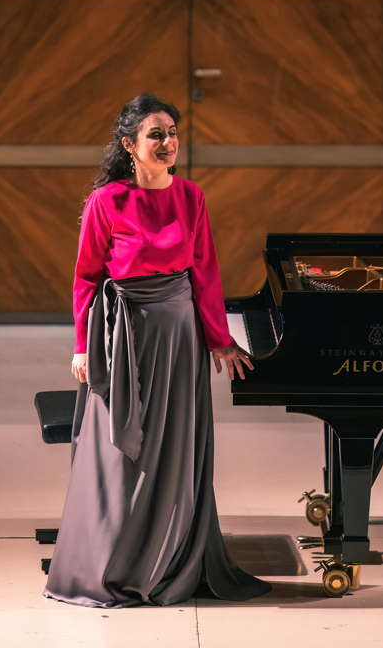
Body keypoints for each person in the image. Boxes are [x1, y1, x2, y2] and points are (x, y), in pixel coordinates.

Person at [42, 93, 272, 608]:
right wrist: (82, 346)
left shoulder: (191, 196)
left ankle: (173, 559)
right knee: (120, 448)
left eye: (172, 133)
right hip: (125, 334)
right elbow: (85, 278)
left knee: (175, 445)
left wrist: (219, 338)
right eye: (156, 135)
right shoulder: (108, 202)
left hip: (180, 335)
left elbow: (205, 272)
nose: (168, 143)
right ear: (130, 145)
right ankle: (110, 563)